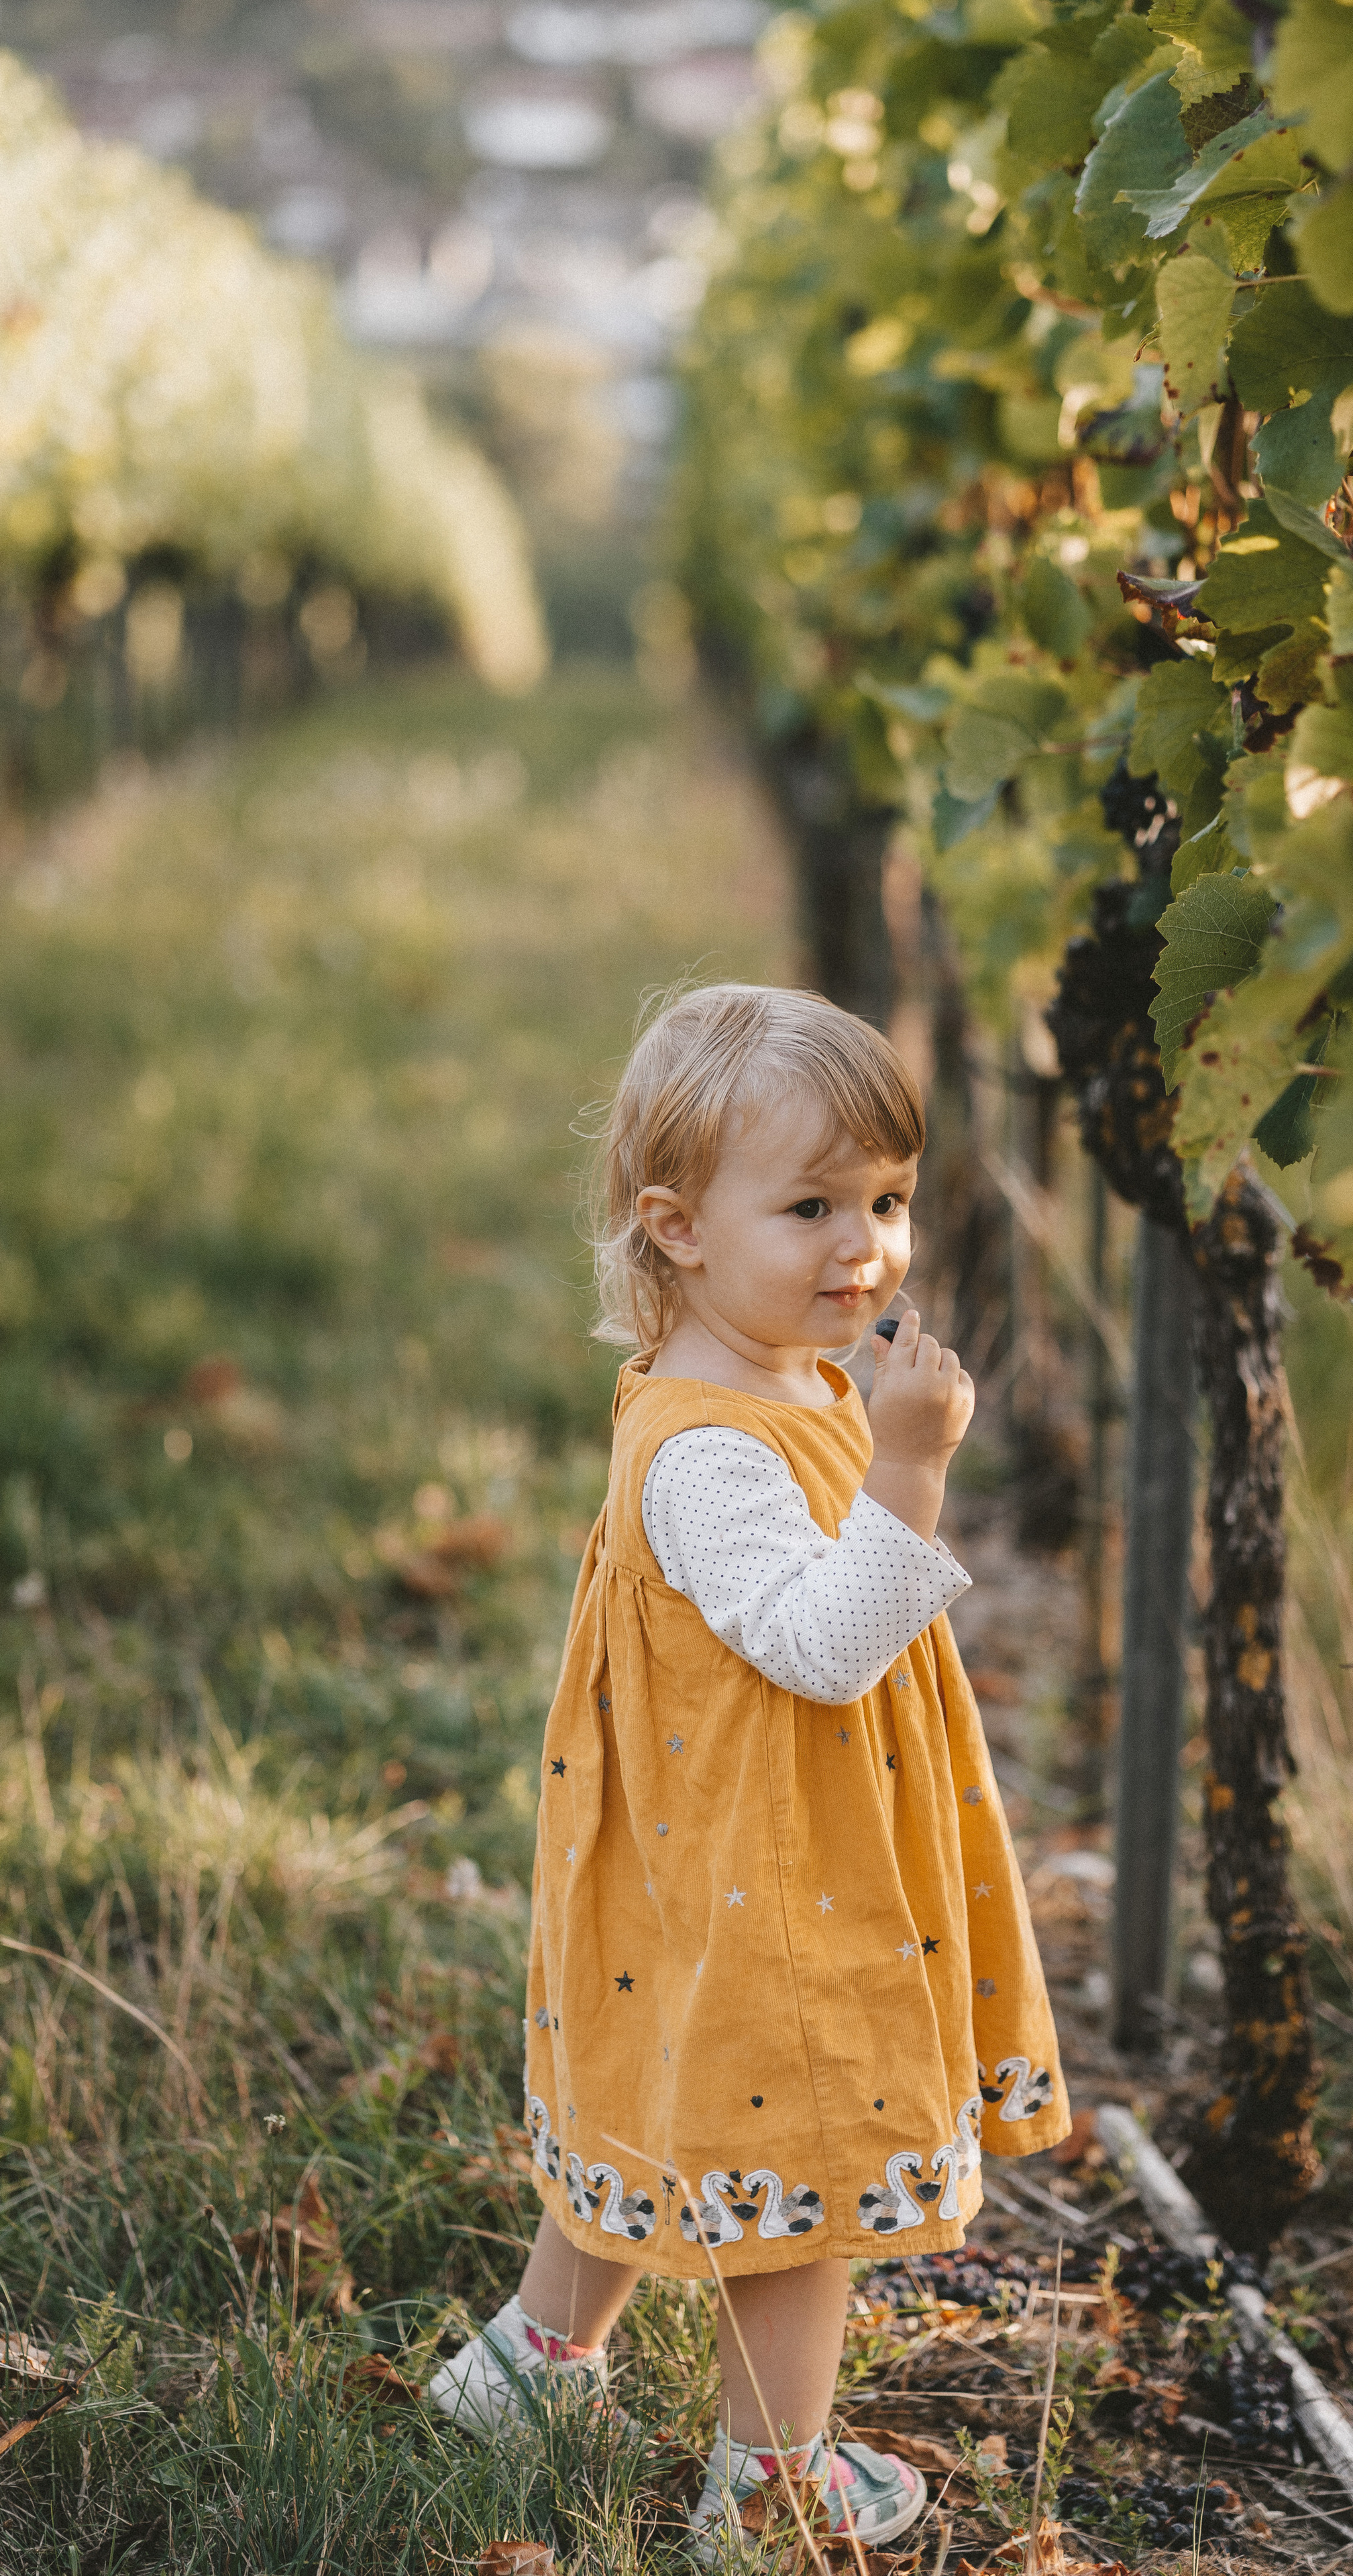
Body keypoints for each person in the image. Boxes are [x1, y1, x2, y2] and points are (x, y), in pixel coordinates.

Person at [430, 983, 1067, 2557]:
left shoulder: (782, 1376)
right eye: (811, 1205)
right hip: (776, 1869)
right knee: (805, 2165)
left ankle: (529, 2364)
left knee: (662, 2096)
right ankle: (769, 2487)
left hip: (735, 1839)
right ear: (678, 1227)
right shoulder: (710, 1448)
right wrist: (914, 1468)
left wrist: (880, 1440)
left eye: (887, 1200)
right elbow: (818, 1648)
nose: (866, 1243)